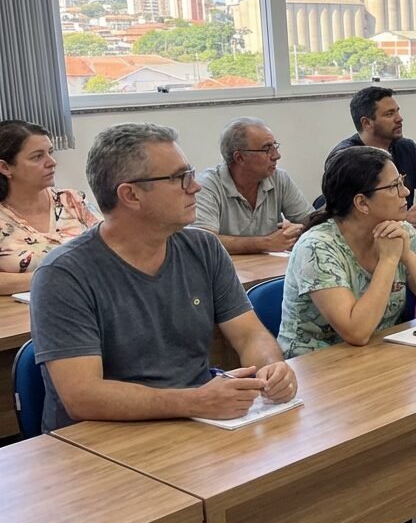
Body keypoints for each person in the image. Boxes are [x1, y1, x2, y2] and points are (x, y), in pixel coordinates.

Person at [28, 123, 296, 435]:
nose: (195, 187)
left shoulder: (202, 247)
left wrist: (271, 369)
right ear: (131, 195)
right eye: (180, 178)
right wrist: (195, 400)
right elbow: (83, 396)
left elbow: (250, 335)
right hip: (101, 441)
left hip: (194, 421)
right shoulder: (64, 274)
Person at [277, 146, 416, 523]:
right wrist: (389, 261)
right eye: (394, 185)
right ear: (361, 202)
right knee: (392, 441)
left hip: (378, 368)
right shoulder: (319, 246)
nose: (405, 190)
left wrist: (407, 252)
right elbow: (355, 331)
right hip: (315, 381)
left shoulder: (398, 233)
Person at [0, 120, 100, 295]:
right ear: (5, 167)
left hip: (89, 298)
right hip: (19, 313)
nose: (52, 162)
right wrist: (59, 276)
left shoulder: (73, 200)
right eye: (37, 156)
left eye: (50, 153)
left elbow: (115, 248)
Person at [194, 117, 312, 254]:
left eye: (275, 146)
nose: (276, 155)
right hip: (231, 270)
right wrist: (266, 243)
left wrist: (298, 230)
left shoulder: (279, 178)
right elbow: (203, 241)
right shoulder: (207, 185)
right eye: (267, 149)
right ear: (240, 158)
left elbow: (313, 223)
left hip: (272, 269)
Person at [330, 86, 416, 229]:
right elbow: (351, 220)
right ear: (367, 123)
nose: (399, 119)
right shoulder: (345, 158)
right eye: (389, 114)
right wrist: (405, 217)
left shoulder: (406, 147)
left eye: (397, 111)